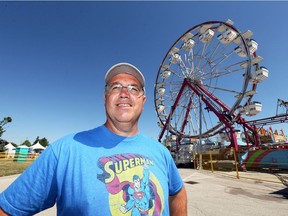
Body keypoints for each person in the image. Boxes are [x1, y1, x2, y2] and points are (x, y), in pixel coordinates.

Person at [0, 62, 187, 216]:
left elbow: (177, 192)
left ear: (143, 101)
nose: (124, 93)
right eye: (116, 87)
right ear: (105, 98)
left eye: (133, 88)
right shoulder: (64, 150)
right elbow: (8, 209)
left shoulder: (161, 152)